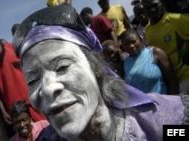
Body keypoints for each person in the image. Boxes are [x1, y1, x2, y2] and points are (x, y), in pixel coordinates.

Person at [13, 5, 189, 141]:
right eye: (32, 80)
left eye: (62, 67)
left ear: (96, 68)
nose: (47, 89)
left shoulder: (162, 120)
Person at [0, 28, 45, 136]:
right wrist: (3, 111)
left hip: (32, 98)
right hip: (14, 107)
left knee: (45, 128)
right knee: (28, 136)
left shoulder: (13, 47)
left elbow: (33, 66)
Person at [142, 0, 189, 94]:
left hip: (185, 78)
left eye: (154, 5)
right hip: (169, 84)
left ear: (161, 3)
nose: (152, 10)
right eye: (147, 8)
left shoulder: (176, 20)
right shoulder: (147, 30)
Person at [120, 29, 179, 94]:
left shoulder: (155, 53)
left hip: (163, 100)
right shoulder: (125, 63)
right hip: (143, 103)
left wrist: (173, 100)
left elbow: (172, 80)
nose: (131, 46)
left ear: (140, 39)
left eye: (133, 42)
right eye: (126, 44)